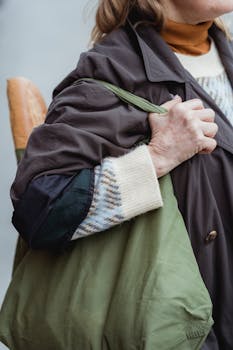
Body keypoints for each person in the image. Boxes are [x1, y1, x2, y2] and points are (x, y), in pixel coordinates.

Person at [5, 0, 233, 349]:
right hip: (192, 333)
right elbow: (41, 209)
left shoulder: (224, 53)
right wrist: (158, 157)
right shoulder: (109, 73)